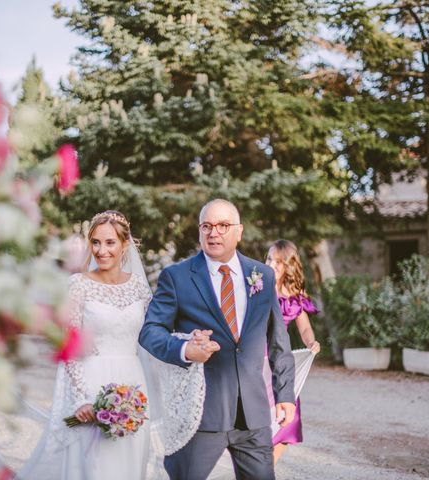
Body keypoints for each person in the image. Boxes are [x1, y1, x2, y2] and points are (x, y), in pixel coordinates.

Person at [139, 199, 297, 480]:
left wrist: (284, 395)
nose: (214, 233)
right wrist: (186, 349)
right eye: (207, 226)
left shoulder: (263, 275)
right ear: (200, 231)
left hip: (253, 416)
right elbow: (150, 332)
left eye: (223, 225)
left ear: (239, 231)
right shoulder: (176, 277)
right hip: (200, 414)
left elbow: (278, 341)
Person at [17, 210, 157, 480]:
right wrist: (81, 398)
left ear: (124, 245)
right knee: (95, 467)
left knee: (129, 463)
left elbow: (153, 333)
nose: (101, 250)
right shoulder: (78, 285)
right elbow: (69, 346)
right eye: (95, 242)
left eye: (110, 242)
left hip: (134, 386)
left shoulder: (139, 287)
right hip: (92, 384)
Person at [265, 239, 320, 465]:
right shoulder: (256, 287)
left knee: (288, 417)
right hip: (257, 358)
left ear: (288, 266)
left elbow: (304, 327)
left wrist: (311, 342)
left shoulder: (293, 298)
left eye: (278, 262)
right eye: (269, 259)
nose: (271, 265)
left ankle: (269, 468)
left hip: (279, 360)